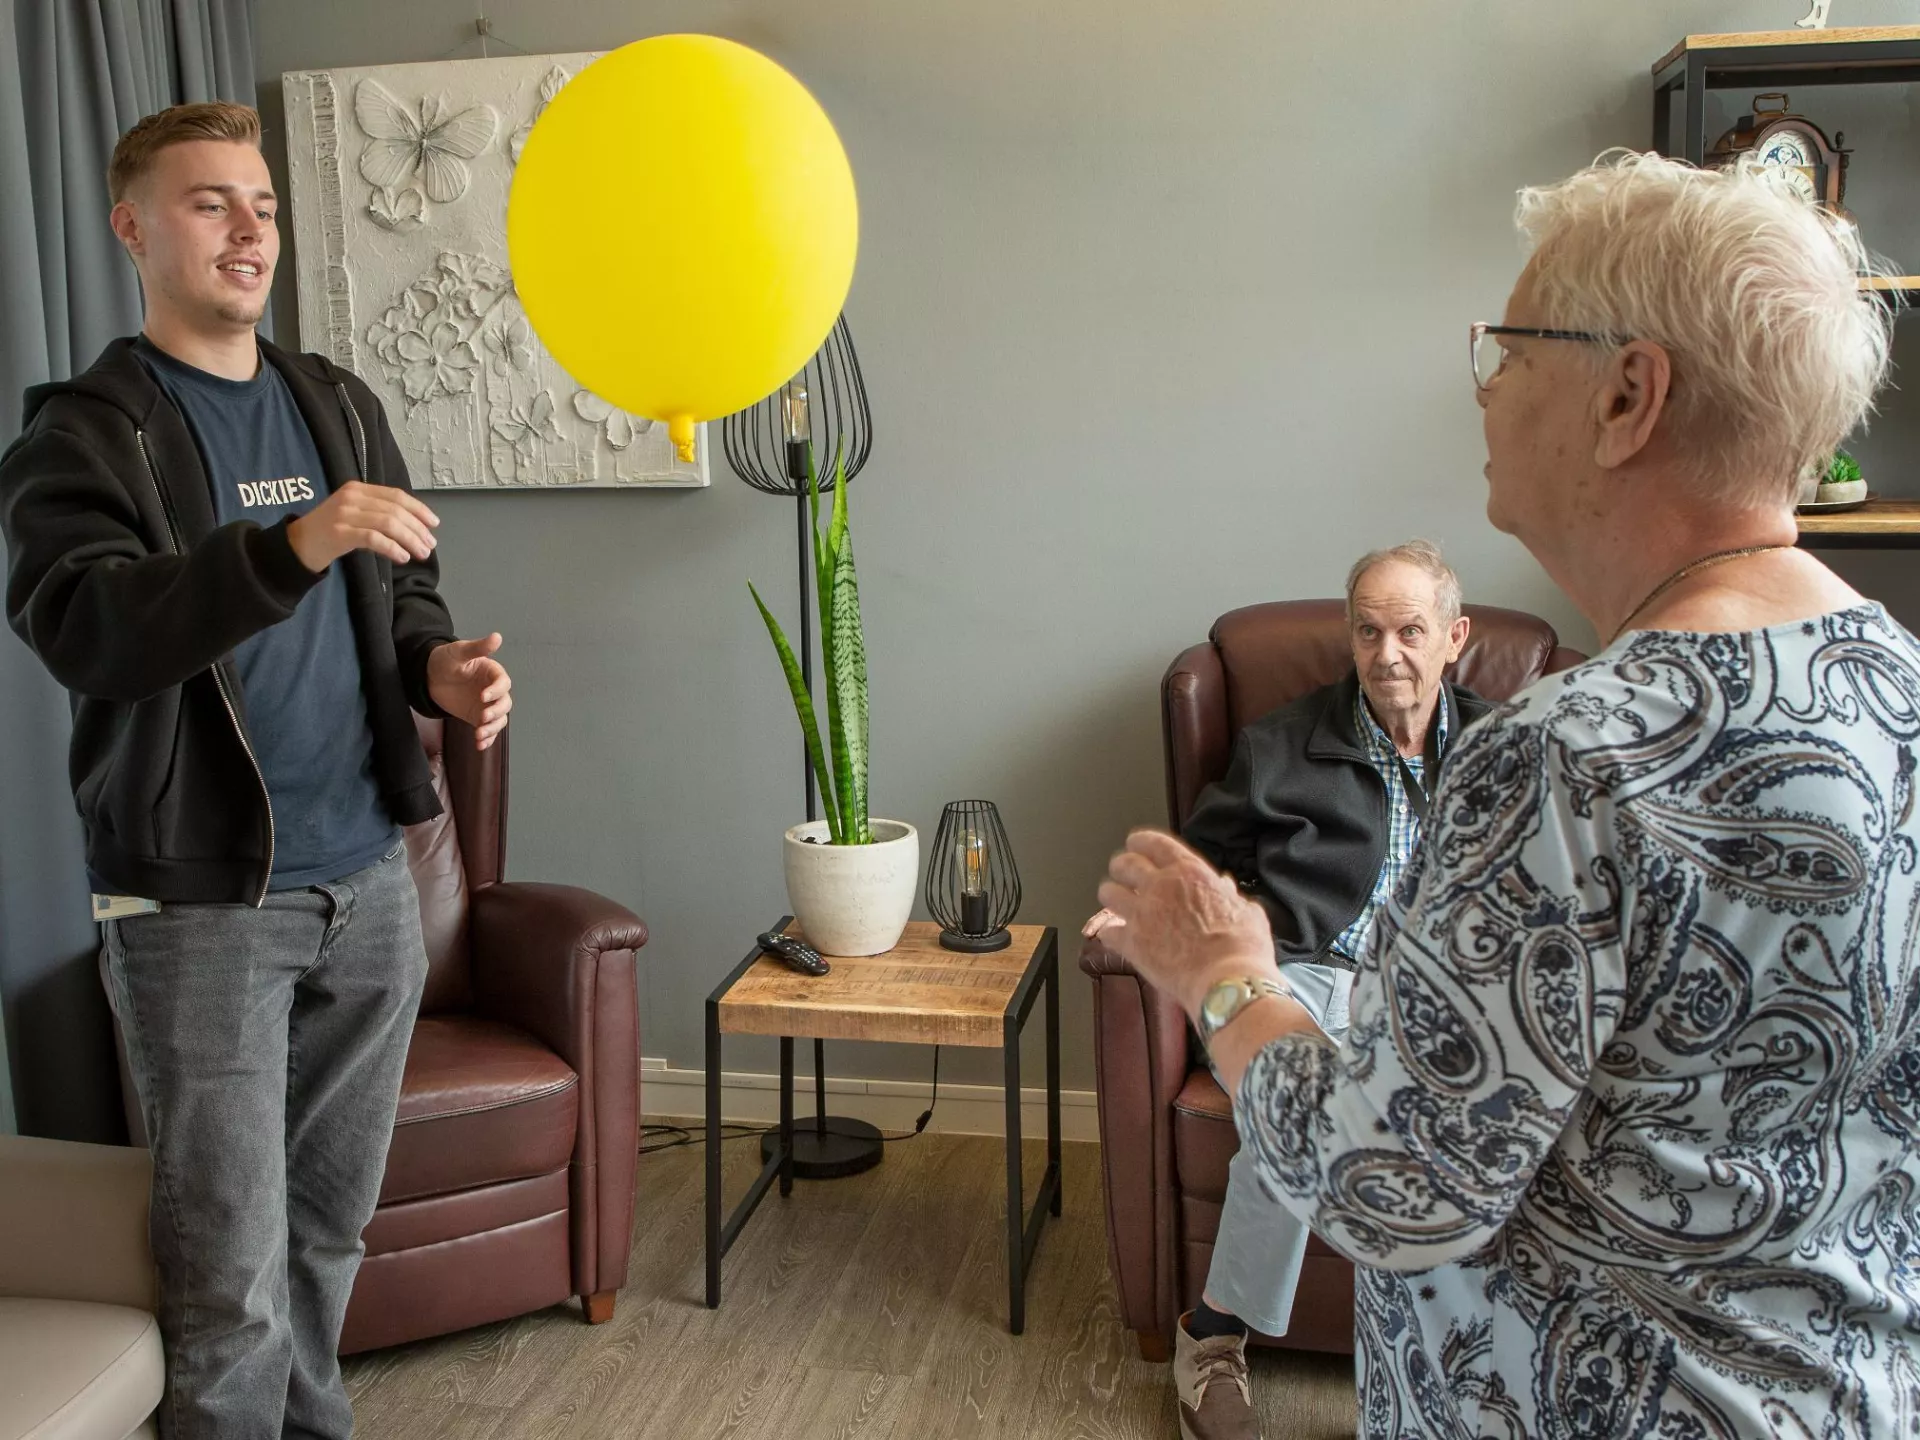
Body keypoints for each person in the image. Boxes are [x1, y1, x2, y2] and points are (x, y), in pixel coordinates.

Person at [1095, 149, 1920, 1438]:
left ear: (1627, 397)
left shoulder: (1561, 757)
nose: (1482, 389)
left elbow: (1387, 1186)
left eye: (1510, 348)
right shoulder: (1903, 692)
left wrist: (1227, 974)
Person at [0, 102, 512, 1440]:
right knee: (226, 1272)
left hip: (370, 877)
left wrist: (439, 672)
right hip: (202, 909)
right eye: (209, 202)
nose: (247, 230)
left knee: (329, 1232)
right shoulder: (87, 433)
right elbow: (88, 630)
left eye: (263, 205)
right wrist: (288, 548)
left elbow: (403, 595)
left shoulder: (333, 400)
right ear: (133, 227)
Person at [1088, 540, 1475, 1440]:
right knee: (1294, 1102)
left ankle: (1442, 1366)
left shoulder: (1504, 753)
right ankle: (1212, 1339)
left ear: (1453, 638)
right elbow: (1198, 868)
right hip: (1301, 976)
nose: (1388, 654)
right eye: (1369, 630)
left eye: (1411, 630)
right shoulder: (1280, 747)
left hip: (1437, 998)